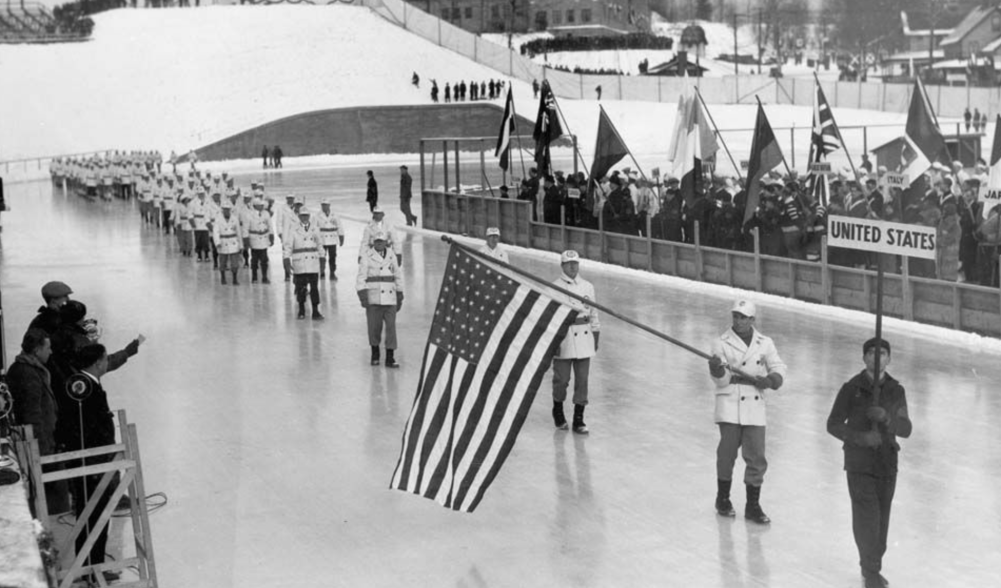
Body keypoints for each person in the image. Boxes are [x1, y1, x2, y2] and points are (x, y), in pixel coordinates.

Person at [826, 338, 912, 588]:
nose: (876, 358)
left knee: (882, 520)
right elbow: (832, 424)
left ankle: (872, 565)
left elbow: (906, 429)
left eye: (882, 353)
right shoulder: (851, 388)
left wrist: (886, 418)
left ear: (889, 359)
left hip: (887, 463)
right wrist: (861, 438)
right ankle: (871, 571)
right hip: (859, 464)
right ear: (864, 358)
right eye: (871, 353)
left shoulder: (896, 390)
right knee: (867, 519)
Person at [707, 299, 787, 524]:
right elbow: (721, 381)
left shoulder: (765, 343)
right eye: (735, 316)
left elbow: (778, 366)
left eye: (743, 317)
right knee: (727, 454)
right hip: (730, 401)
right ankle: (723, 498)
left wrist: (771, 380)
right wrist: (716, 370)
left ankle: (753, 505)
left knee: (757, 456)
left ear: (752, 319)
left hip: (754, 404)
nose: (738, 321)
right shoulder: (720, 342)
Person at [61, 344, 121, 585]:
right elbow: (90, 427)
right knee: (94, 515)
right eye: (106, 359)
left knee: (93, 515)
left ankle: (91, 567)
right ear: (98, 362)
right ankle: (90, 569)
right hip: (93, 463)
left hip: (92, 461)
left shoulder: (87, 386)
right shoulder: (86, 389)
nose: (107, 363)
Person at [550, 250, 599, 435]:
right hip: (565, 338)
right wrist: (554, 342)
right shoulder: (554, 287)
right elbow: (550, 317)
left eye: (575, 263)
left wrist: (596, 335)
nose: (572, 267)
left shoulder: (587, 287)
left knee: (582, 381)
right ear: (562, 266)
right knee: (561, 380)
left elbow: (594, 313)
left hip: (584, 338)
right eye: (569, 264)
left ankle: (579, 418)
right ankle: (558, 409)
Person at [357, 231, 403, 367]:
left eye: (381, 241)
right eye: (377, 241)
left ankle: (390, 357)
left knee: (391, 328)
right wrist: (362, 295)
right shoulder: (367, 256)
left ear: (385, 242)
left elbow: (398, 275)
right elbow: (361, 277)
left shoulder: (391, 255)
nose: (379, 244)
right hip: (374, 298)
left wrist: (400, 293)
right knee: (374, 328)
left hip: (390, 298)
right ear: (373, 243)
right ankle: (375, 354)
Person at [284, 208, 325, 320]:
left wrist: (322, 260)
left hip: (313, 263)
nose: (305, 218)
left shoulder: (315, 229)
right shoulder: (293, 230)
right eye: (302, 216)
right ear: (299, 217)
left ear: (309, 216)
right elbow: (288, 246)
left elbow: (320, 245)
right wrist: (286, 260)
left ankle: (315, 310)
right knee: (301, 288)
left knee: (314, 288)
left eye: (306, 216)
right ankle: (301, 309)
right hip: (300, 263)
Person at [213, 202, 245, 285]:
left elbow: (238, 232)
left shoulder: (234, 218)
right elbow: (215, 232)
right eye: (225, 210)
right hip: (223, 241)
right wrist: (217, 242)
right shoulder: (218, 219)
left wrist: (241, 245)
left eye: (228, 209)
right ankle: (223, 277)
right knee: (222, 262)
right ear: (222, 210)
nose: (226, 211)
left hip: (233, 242)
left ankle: (235, 278)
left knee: (235, 263)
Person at [247, 197, 274, 284]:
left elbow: (270, 226)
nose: (262, 207)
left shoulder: (266, 214)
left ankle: (264, 277)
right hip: (254, 240)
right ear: (255, 206)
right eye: (260, 205)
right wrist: (246, 240)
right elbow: (246, 228)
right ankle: (254, 277)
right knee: (254, 260)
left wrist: (271, 236)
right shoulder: (249, 214)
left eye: (262, 205)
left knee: (264, 260)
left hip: (264, 240)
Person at [316, 199, 344, 279]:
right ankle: (322, 272)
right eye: (323, 205)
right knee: (322, 256)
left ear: (329, 205)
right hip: (322, 239)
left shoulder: (335, 215)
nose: (324, 207)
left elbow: (339, 226)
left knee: (332, 257)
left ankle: (332, 272)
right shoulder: (317, 215)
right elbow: (314, 228)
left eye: (326, 205)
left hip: (332, 239)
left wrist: (341, 237)